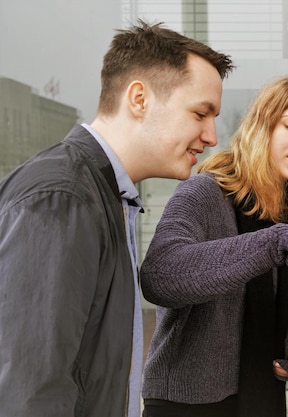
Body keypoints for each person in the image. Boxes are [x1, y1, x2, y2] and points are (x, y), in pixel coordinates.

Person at [0, 20, 234, 417]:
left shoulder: (106, 194)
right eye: (200, 113)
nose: (212, 136)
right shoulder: (64, 197)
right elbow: (32, 389)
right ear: (139, 98)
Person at [139, 75, 288, 417]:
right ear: (262, 128)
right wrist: (273, 240)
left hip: (258, 401)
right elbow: (160, 275)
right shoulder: (205, 191)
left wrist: (283, 335)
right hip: (187, 406)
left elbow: (245, 302)